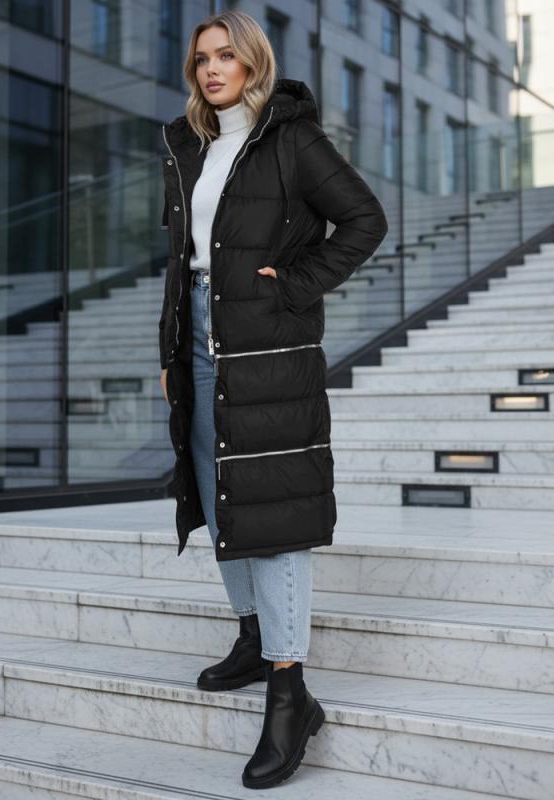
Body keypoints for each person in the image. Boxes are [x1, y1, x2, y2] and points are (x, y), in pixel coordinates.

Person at [157, 10, 388, 790]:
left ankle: (291, 691)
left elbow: (364, 220)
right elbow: (182, 259)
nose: (211, 69)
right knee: (218, 494)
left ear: (253, 63)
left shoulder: (292, 138)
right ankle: (255, 638)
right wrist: (170, 352)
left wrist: (293, 285)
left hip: (267, 347)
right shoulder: (188, 145)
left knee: (275, 509)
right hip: (198, 342)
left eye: (226, 55)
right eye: (201, 59)